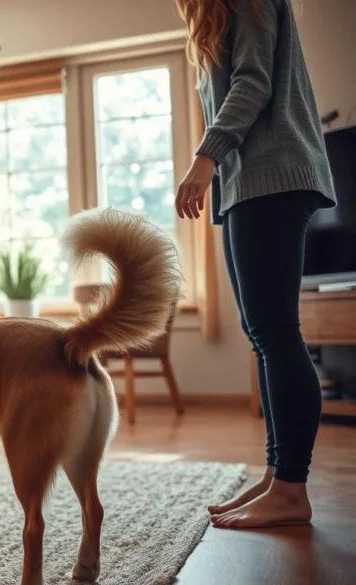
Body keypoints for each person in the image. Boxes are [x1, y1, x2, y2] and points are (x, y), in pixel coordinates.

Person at [174, 0, 336, 529]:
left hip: (273, 176)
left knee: (276, 334)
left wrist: (205, 157)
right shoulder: (219, 15)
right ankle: (277, 476)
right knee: (264, 335)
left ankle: (290, 489)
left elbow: (253, 81)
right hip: (249, 184)